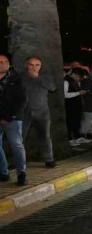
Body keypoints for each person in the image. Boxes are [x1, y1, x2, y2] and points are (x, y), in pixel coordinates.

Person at [20, 57, 57, 168]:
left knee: (45, 136)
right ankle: (19, 160)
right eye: (31, 65)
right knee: (20, 137)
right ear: (26, 65)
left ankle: (49, 159)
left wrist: (37, 77)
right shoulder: (20, 77)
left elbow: (53, 88)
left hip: (42, 112)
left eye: (37, 65)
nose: (34, 67)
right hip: (24, 112)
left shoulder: (45, 77)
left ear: (41, 66)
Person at [0, 55, 28, 185]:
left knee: (16, 145)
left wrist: (8, 117)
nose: (4, 64)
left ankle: (21, 173)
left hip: (13, 118)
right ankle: (3, 172)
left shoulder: (16, 78)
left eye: (6, 61)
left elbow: (22, 100)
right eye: (0, 62)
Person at [64, 68, 88, 145]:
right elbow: (65, 95)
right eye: (77, 76)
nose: (78, 78)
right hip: (69, 105)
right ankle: (70, 139)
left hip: (76, 105)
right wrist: (78, 93)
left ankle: (78, 137)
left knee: (76, 121)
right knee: (70, 122)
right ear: (73, 74)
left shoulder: (74, 81)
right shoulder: (66, 81)